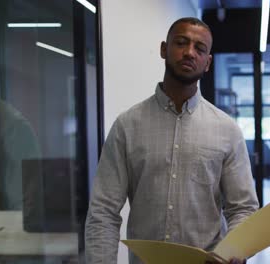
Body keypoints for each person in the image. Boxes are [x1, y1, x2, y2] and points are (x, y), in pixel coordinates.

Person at [84, 17, 259, 264]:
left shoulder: (226, 130)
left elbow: (243, 208)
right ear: (164, 49)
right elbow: (103, 212)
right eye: (181, 43)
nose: (189, 53)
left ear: (207, 63)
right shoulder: (127, 126)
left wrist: (233, 252)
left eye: (200, 49)